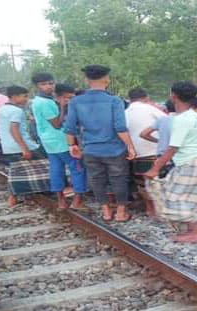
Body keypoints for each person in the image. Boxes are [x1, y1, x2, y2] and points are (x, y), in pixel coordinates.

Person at [144, 81, 197, 243]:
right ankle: (193, 229)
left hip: (191, 161)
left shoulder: (182, 119)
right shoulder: (194, 115)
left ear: (173, 96)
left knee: (175, 196)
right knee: (190, 197)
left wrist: (155, 168)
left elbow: (173, 147)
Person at [65, 65, 136, 222]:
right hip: (114, 149)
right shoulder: (114, 100)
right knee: (119, 179)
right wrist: (130, 146)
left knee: (97, 180)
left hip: (90, 149)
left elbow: (69, 127)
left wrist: (71, 146)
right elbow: (120, 127)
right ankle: (120, 212)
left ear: (86, 80)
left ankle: (105, 212)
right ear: (106, 79)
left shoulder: (76, 101)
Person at [31, 73, 87, 211]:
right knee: (77, 167)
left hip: (48, 141)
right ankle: (77, 201)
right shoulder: (46, 103)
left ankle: (61, 201)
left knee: (56, 170)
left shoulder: (36, 100)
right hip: (61, 140)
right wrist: (62, 106)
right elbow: (56, 124)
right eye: (44, 84)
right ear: (37, 86)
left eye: (50, 83)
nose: (48, 86)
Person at [0, 86, 49, 208]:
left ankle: (14, 198)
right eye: (24, 96)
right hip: (23, 146)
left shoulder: (2, 109)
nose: (27, 99)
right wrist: (24, 148)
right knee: (47, 164)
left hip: (8, 147)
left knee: (17, 172)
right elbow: (13, 129)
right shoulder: (17, 111)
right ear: (14, 97)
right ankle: (55, 189)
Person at [125, 87, 166, 217]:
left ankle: (149, 209)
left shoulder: (125, 112)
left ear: (130, 99)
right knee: (158, 182)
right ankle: (161, 209)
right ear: (146, 98)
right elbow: (168, 123)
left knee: (142, 183)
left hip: (136, 153)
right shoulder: (152, 109)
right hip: (156, 151)